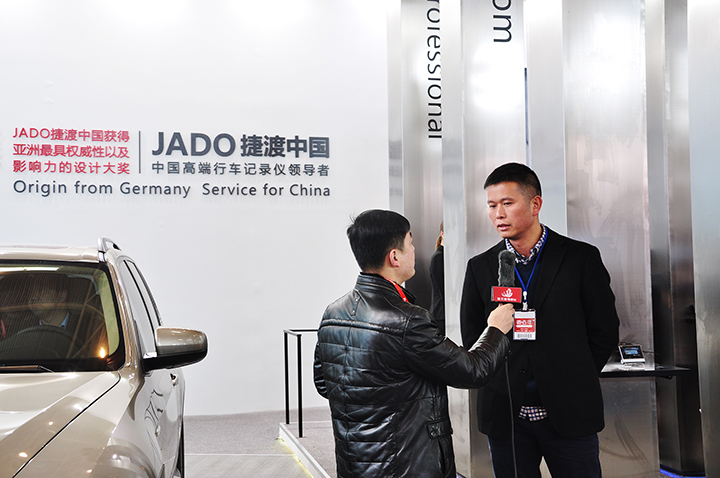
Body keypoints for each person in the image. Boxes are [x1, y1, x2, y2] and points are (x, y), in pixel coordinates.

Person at [314, 209, 515, 478]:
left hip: (355, 464)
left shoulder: (333, 312)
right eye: (410, 243)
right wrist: (496, 329)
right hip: (405, 465)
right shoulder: (408, 320)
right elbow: (472, 370)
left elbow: (324, 383)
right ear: (394, 257)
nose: (414, 250)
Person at [460, 163, 620, 478]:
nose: (498, 214)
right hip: (506, 413)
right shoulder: (480, 267)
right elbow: (474, 338)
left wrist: (575, 378)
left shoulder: (579, 258)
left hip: (569, 411)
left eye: (507, 203)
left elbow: (604, 330)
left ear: (535, 204)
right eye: (491, 206)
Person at [429, 221, 445, 335]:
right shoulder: (438, 257)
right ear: (442, 233)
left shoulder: (445, 256)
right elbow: (442, 289)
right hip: (441, 315)